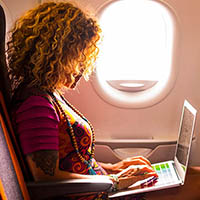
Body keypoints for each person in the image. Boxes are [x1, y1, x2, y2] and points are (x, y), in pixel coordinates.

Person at [7, 1, 158, 199]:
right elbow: (45, 177)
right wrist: (115, 183)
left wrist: (112, 168)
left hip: (98, 187)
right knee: (194, 180)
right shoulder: (36, 106)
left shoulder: (49, 95)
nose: (82, 69)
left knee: (192, 175)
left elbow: (73, 159)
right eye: (77, 59)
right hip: (90, 195)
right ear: (56, 56)